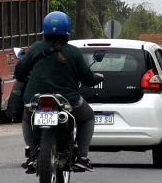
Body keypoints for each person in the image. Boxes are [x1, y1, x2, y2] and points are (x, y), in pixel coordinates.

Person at [14, 11, 102, 173]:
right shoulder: (74, 52)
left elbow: (19, 74)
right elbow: (88, 79)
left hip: (35, 100)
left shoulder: (35, 49)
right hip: (68, 102)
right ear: (67, 31)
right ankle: (82, 157)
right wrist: (97, 78)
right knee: (88, 116)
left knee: (27, 118)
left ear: (44, 30)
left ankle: (33, 154)